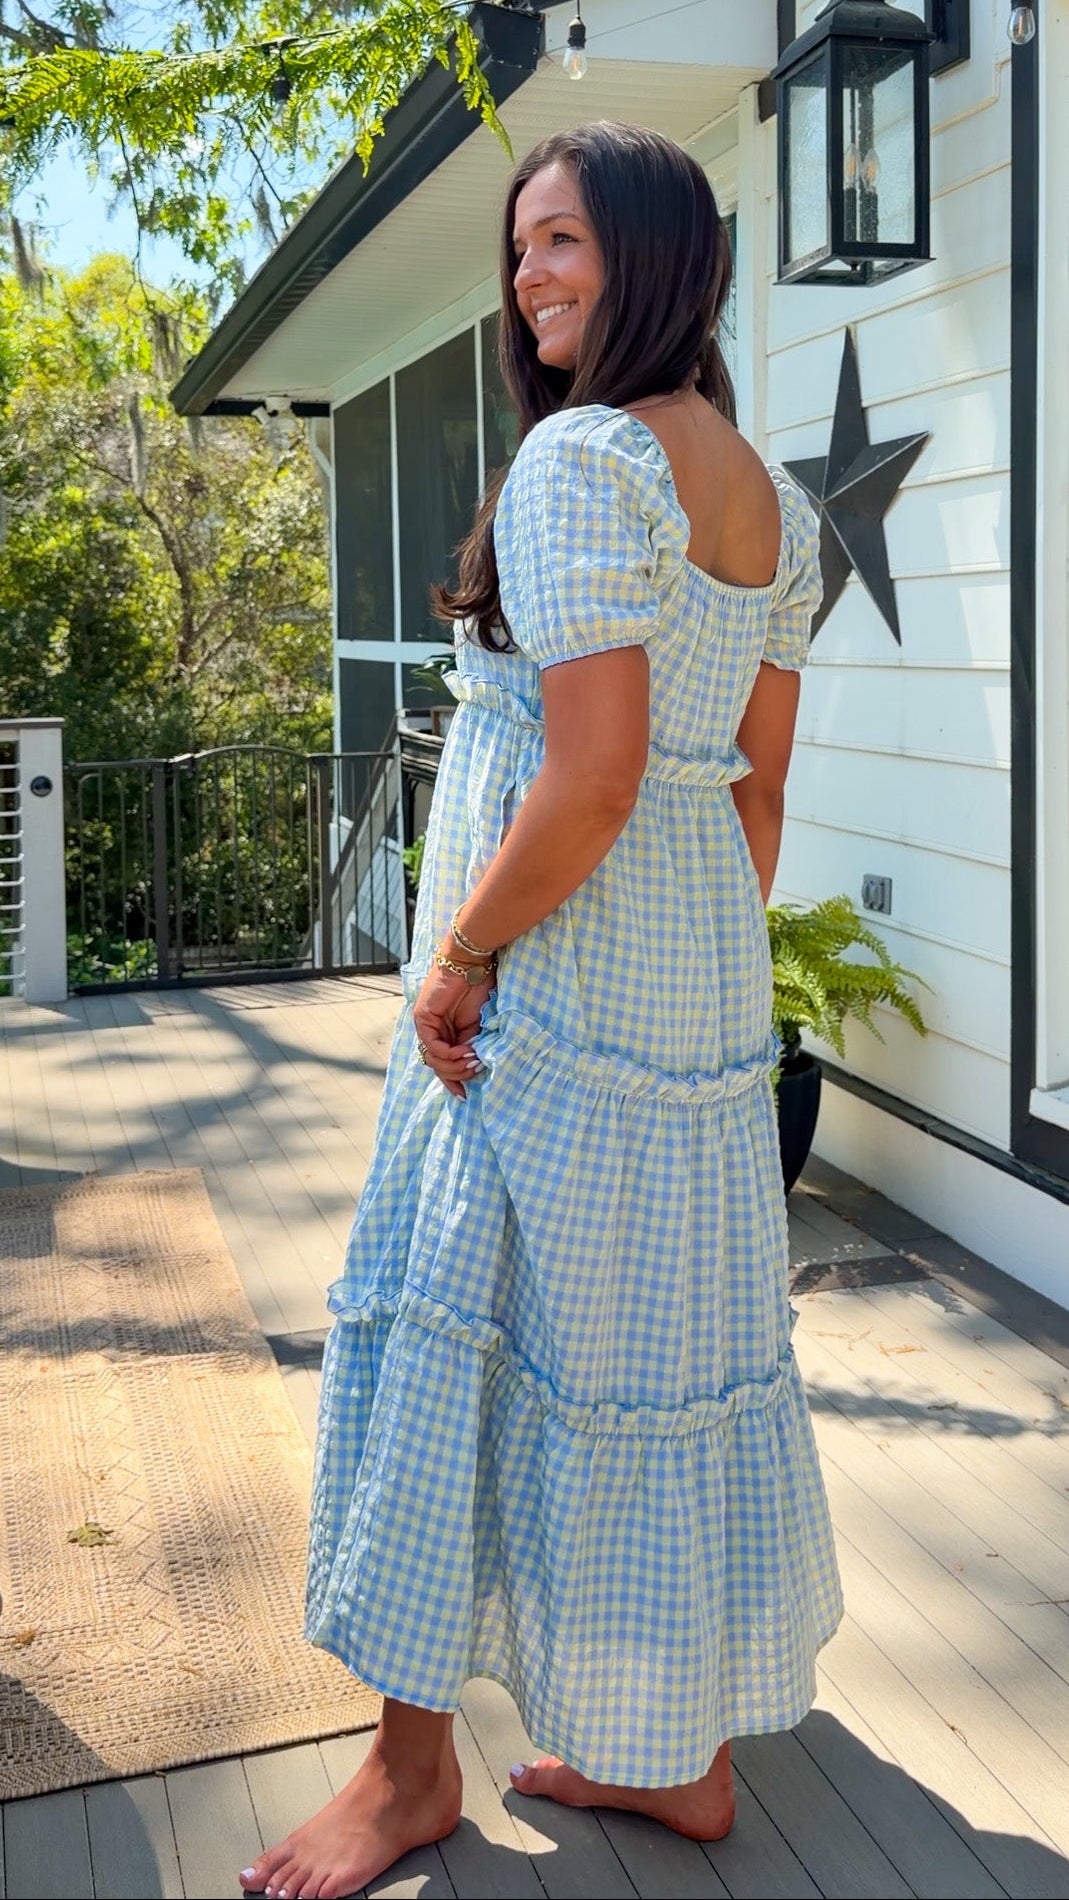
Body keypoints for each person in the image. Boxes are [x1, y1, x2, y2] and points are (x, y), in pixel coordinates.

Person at [240, 120, 842, 1900]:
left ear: (656, 256)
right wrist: (701, 995)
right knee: (653, 1351)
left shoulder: (589, 460)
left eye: (564, 242)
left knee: (452, 1328)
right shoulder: (776, 504)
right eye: (521, 249)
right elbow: (751, 790)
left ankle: (407, 1775)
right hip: (685, 979)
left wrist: (459, 959)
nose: (529, 279)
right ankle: (685, 1762)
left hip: (554, 969)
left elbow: (581, 781)